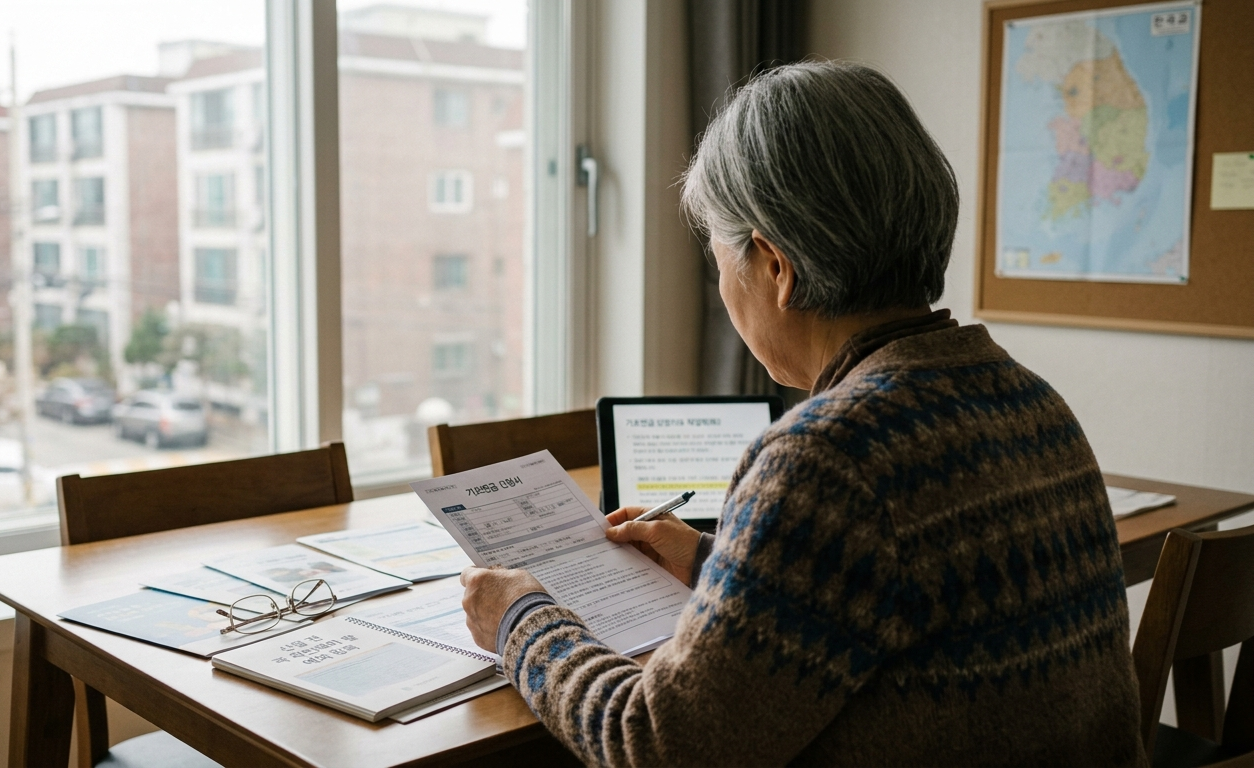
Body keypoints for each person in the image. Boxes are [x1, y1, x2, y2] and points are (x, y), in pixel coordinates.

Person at [459, 60, 1146, 767]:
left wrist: (522, 619)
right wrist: (713, 562)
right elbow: (897, 598)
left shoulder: (826, 459)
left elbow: (660, 745)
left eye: (718, 261)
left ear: (775, 266)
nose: (723, 289)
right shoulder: (1028, 398)